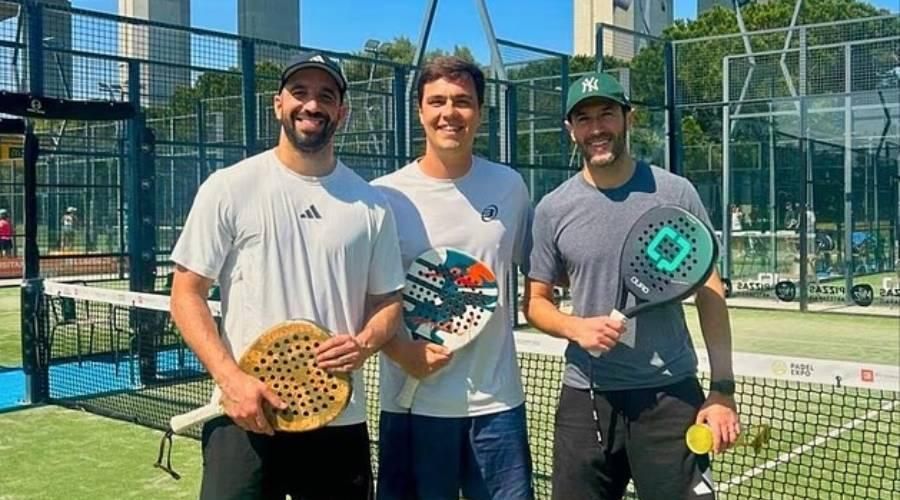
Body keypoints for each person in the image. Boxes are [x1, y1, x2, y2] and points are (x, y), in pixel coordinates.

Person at [169, 51, 405, 500]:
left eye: (326, 96)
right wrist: (231, 380)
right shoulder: (229, 187)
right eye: (300, 93)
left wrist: (364, 342)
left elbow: (387, 302)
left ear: (342, 112)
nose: (311, 105)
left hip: (337, 420)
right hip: (244, 414)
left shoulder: (372, 205)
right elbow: (186, 293)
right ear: (278, 104)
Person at [523, 72, 739, 500]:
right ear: (571, 130)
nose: (596, 128)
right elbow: (535, 302)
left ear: (629, 118)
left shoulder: (675, 192)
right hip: (586, 397)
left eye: (607, 114)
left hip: (670, 395)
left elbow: (709, 290)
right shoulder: (552, 209)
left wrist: (722, 389)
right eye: (584, 119)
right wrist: (575, 328)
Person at [372, 56, 534, 500]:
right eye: (437, 101)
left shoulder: (510, 187)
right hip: (410, 407)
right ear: (420, 111)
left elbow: (540, 274)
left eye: (462, 101)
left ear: (480, 112)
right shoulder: (384, 196)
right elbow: (366, 301)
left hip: (497, 408)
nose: (450, 113)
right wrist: (401, 351)